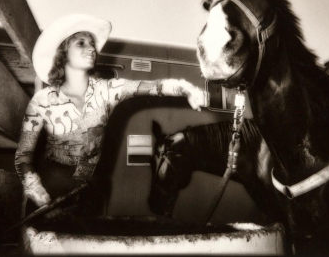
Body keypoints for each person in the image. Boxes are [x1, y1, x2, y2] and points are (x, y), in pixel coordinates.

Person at [14, 14, 208, 222]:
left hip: (88, 194)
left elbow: (153, 86)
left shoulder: (107, 91)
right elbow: (22, 157)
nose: (91, 48)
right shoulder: (42, 100)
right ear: (63, 53)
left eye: (92, 44)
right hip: (48, 192)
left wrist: (185, 88)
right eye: (81, 43)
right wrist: (41, 198)